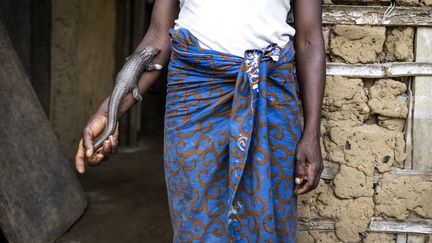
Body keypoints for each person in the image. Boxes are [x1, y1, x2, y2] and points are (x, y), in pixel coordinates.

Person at [75, 0, 325, 242]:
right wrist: (109, 112)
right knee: (197, 220)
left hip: (269, 97)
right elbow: (158, 36)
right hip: (194, 99)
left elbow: (309, 39)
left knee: (267, 221)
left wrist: (312, 133)